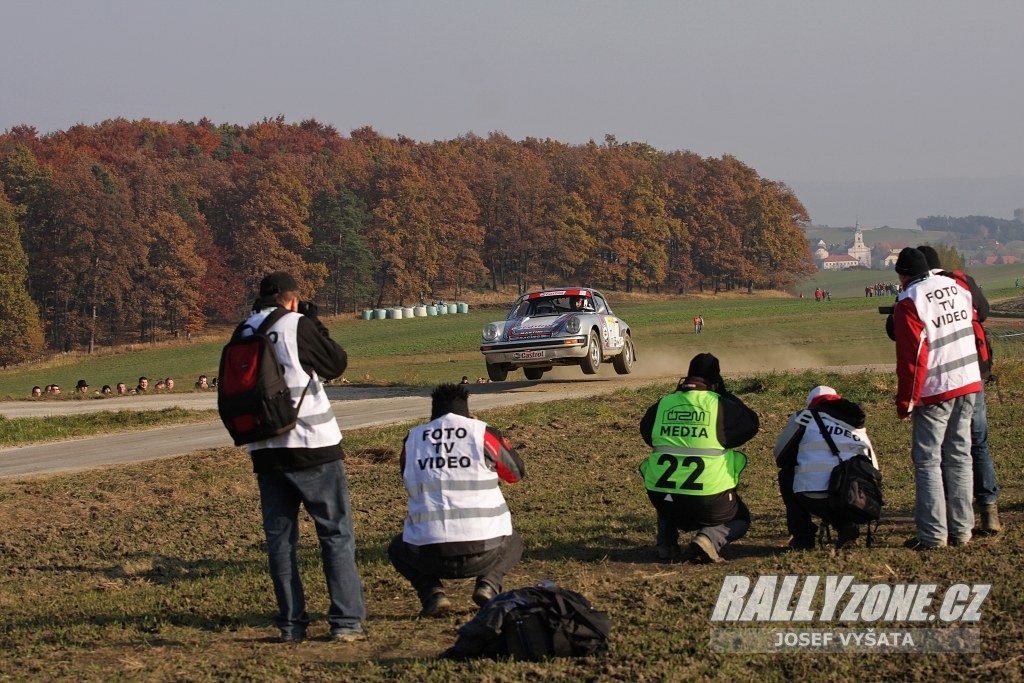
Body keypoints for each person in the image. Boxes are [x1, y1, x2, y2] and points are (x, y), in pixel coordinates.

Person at [243, 271, 366, 643]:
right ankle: (345, 623)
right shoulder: (296, 324)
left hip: (265, 449)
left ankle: (290, 625)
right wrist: (316, 325)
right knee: (335, 533)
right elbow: (335, 364)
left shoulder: (243, 330)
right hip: (314, 444)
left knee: (281, 541)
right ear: (292, 300)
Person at [388, 383, 525, 617]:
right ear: (468, 411)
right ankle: (489, 584)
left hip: (426, 555)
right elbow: (515, 474)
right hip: (486, 551)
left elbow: (407, 478)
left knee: (396, 547)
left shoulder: (412, 439)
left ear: (432, 414)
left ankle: (432, 594)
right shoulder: (482, 432)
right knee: (514, 540)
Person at [890, 247, 982, 550]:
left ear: (903, 275)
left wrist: (907, 401)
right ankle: (963, 530)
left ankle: (933, 536)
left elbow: (912, 358)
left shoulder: (909, 302)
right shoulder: (957, 286)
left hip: (937, 389)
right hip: (970, 381)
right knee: (960, 457)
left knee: (928, 462)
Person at [639, 353, 760, 563]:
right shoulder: (719, 404)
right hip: (709, 502)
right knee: (740, 517)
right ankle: (709, 539)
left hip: (662, 500)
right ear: (715, 382)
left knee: (669, 491)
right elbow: (751, 424)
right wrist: (724, 395)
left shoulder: (664, 404)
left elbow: (648, 434)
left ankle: (666, 545)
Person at [914, 245, 1000, 533]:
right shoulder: (962, 281)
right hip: (976, 370)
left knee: (942, 449)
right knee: (978, 443)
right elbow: (984, 312)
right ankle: (989, 512)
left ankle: (951, 514)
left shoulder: (921, 288)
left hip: (945, 378)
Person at [774, 386, 878, 549]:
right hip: (858, 499)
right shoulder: (857, 423)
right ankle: (847, 526)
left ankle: (803, 539)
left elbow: (780, 456)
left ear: (811, 404)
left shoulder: (804, 417)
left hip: (814, 497)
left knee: (787, 475)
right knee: (842, 488)